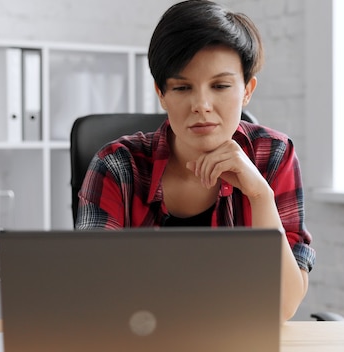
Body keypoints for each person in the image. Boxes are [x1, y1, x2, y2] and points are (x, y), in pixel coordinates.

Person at [76, 0, 315, 321]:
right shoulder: (116, 165)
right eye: (182, 87)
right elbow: (93, 294)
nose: (201, 104)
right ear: (161, 93)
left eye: (220, 86)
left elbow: (282, 308)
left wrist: (261, 195)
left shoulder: (273, 155)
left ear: (247, 90)